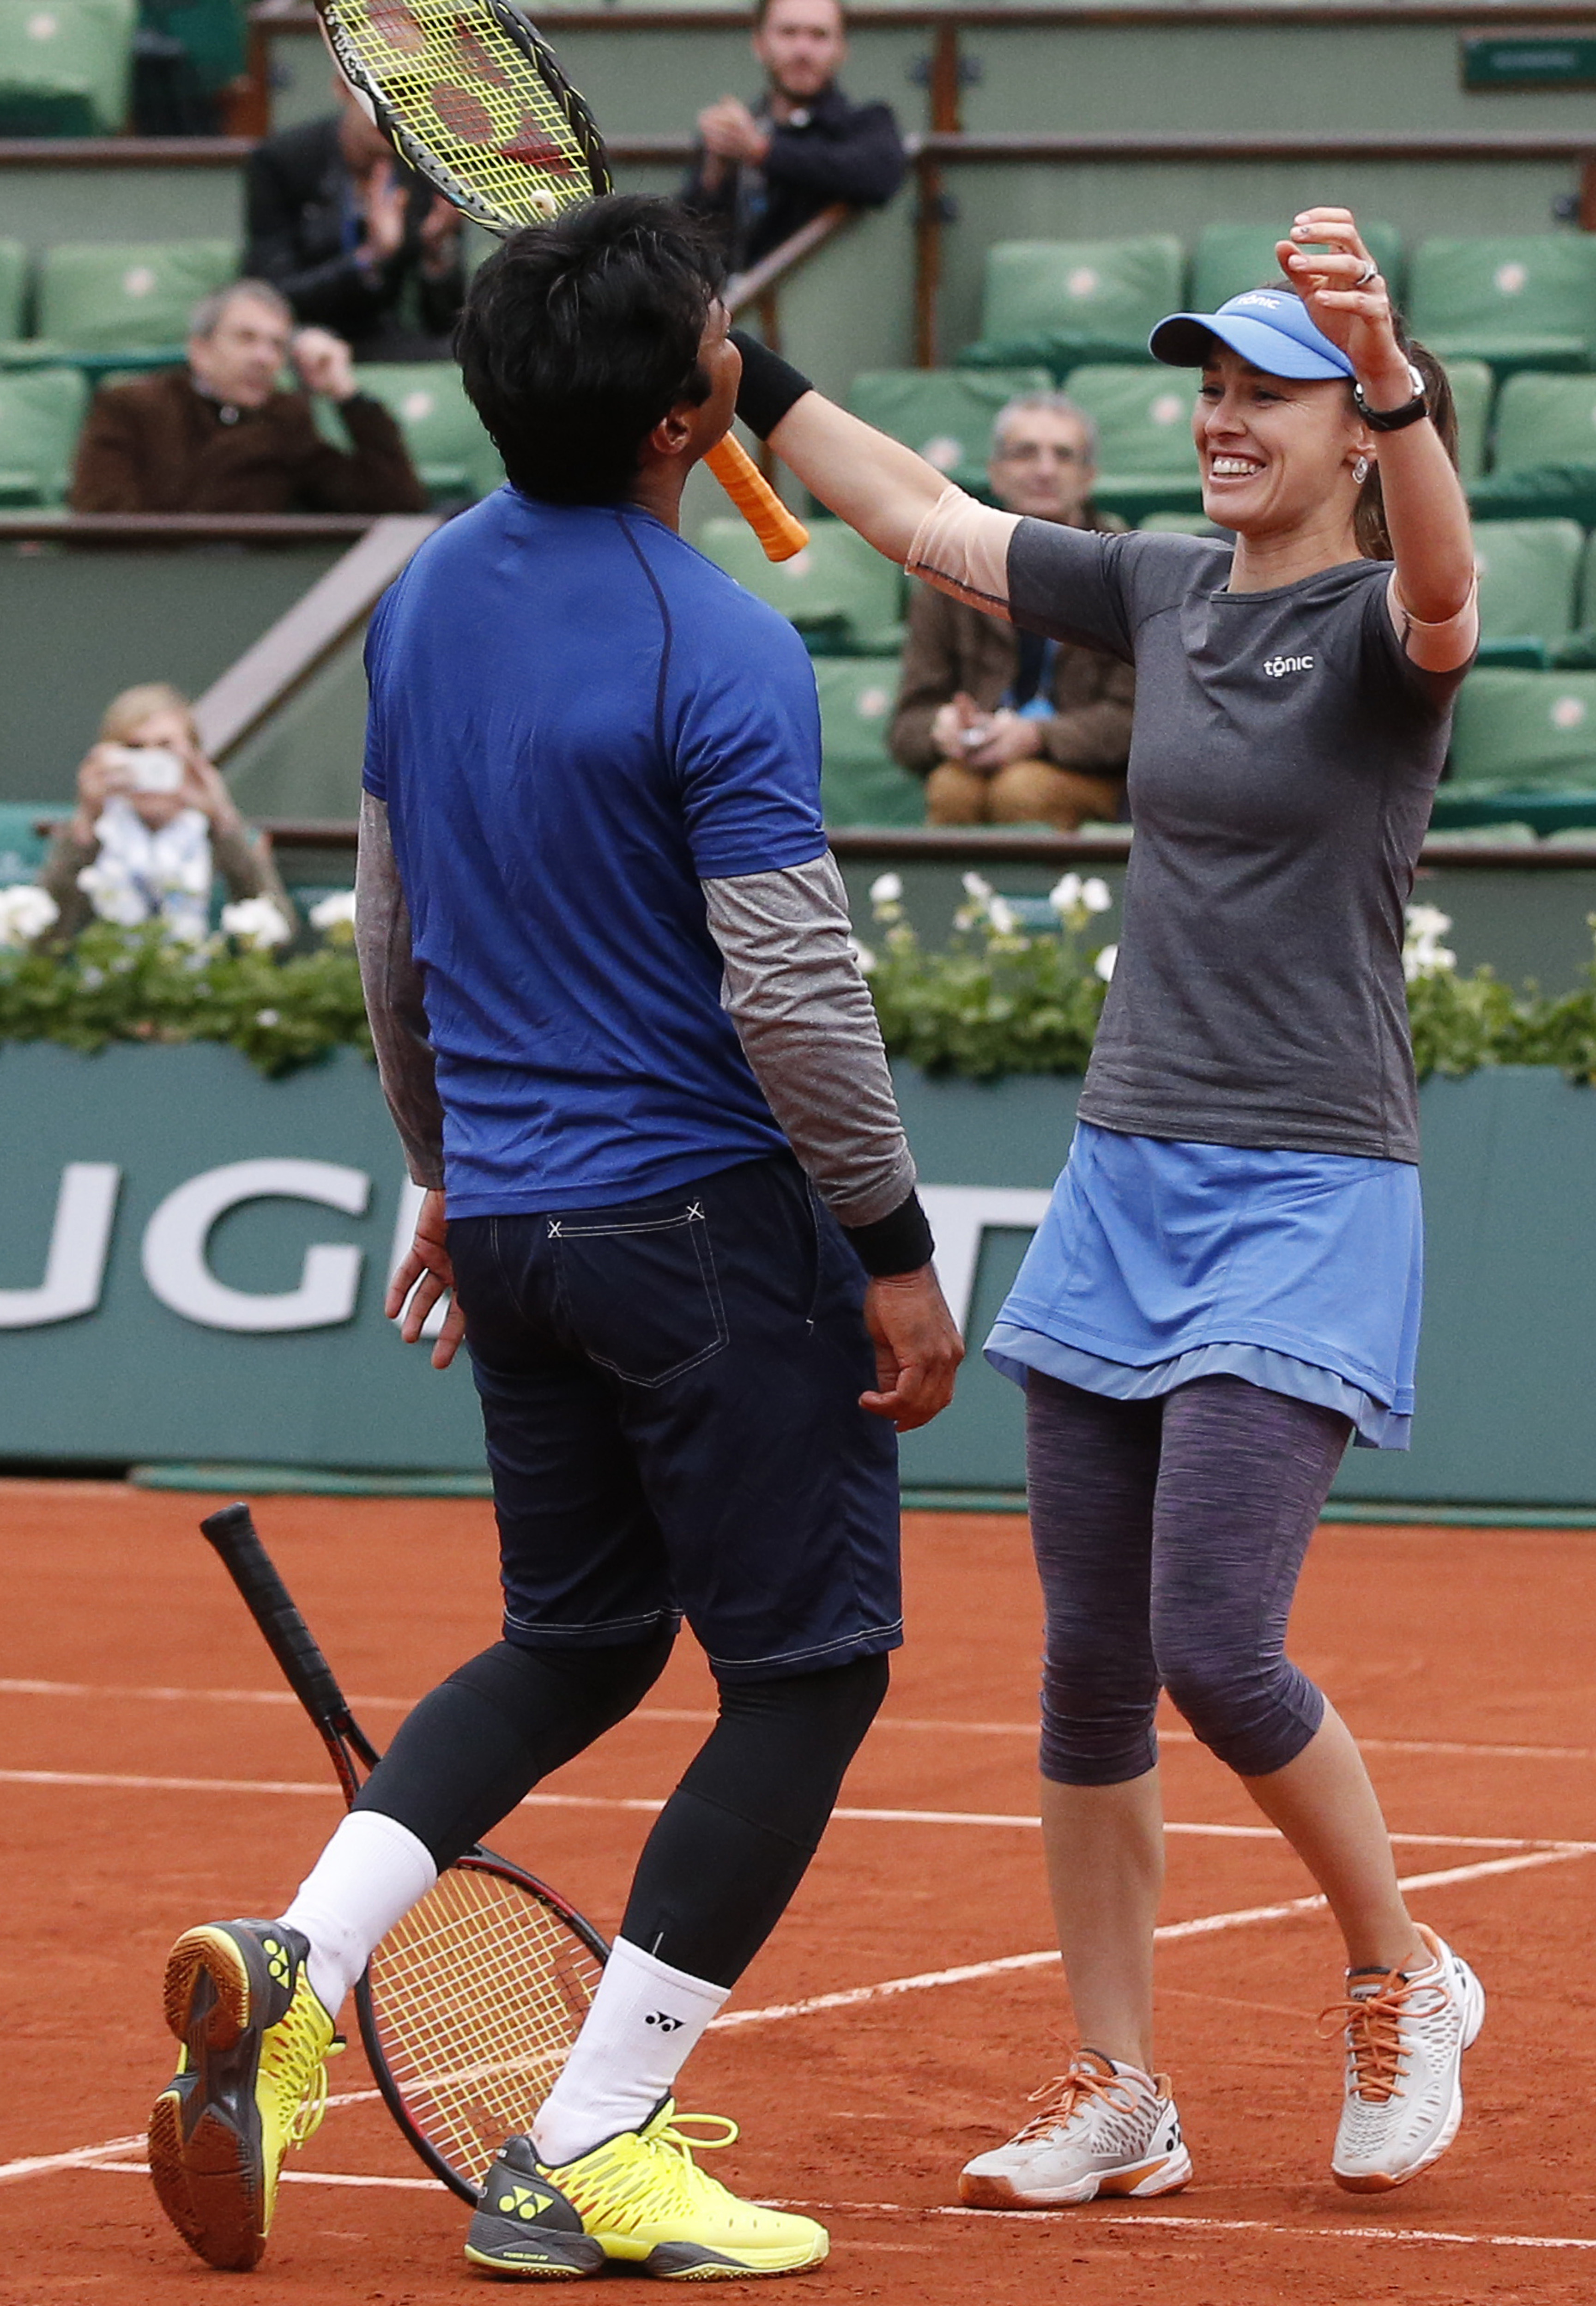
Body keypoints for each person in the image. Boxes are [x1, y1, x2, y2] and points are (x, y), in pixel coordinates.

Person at [145, 195, 962, 2282]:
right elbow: (788, 991)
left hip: (508, 1218)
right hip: (700, 1227)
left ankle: (298, 1958)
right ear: (698, 408)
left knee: (579, 1638)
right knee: (807, 1673)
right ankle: (590, 2140)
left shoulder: (419, 600)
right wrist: (885, 1240)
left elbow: (388, 924)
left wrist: (449, 1162)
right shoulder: (728, 647)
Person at [726, 208, 1487, 2205]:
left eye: (1267, 395)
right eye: (1210, 391)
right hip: (1126, 1173)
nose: (1223, 421)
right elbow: (912, 513)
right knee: (1082, 1657)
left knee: (1216, 1646)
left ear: (1351, 424)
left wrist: (1388, 371)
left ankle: (1400, 1969)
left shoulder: (1383, 637)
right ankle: (1116, 2083)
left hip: (1311, 1182)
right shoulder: (1151, 587)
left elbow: (1441, 578)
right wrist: (751, 371)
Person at [891, 392, 1134, 829]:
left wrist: (1036, 737)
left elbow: (1138, 723)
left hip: (1092, 775)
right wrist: (941, 727)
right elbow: (906, 726)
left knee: (1022, 790)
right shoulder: (948, 572)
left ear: (1088, 477)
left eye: (1063, 455)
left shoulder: (1127, 571)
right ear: (995, 474)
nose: (1045, 470)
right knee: (951, 788)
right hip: (977, 764)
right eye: (1025, 454)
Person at [70, 279, 427, 516]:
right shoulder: (131, 407)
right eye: (246, 338)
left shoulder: (286, 418)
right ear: (201, 350)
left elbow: (394, 503)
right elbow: (102, 520)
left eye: (277, 345)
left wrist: (346, 395)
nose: (264, 358)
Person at [683, 0, 907, 272]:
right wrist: (713, 179)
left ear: (842, 48)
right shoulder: (738, 133)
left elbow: (878, 175)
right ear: (759, 44)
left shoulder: (867, 124)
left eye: (819, 35)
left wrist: (762, 152)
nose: (803, 50)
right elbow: (691, 245)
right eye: (788, 33)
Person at [40, 682, 294, 943]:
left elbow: (278, 935)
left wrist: (222, 818)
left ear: (193, 756)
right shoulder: (91, 836)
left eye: (165, 747)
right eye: (135, 748)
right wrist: (87, 821)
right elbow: (43, 940)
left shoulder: (221, 836)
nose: (151, 761)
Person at [244, 84, 465, 360]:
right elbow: (271, 294)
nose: (392, 111)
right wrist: (371, 257)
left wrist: (435, 251)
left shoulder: (427, 164)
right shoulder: (283, 160)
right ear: (342, 86)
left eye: (409, 98)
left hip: (383, 338)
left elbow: (447, 323)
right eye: (379, 94)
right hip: (300, 332)